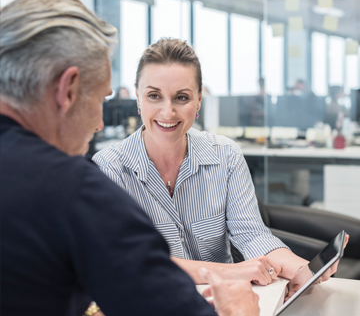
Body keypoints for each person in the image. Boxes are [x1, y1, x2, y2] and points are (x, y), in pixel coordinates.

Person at [0, 0, 260, 316]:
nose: (98, 122)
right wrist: (240, 313)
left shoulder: (224, 154)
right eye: (100, 99)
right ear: (68, 90)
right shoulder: (75, 189)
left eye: (181, 97)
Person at [93, 38, 347, 287]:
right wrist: (229, 272)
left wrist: (299, 268)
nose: (168, 112)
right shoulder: (110, 168)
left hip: (229, 303)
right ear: (138, 98)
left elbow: (252, 234)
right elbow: (129, 261)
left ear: (199, 99)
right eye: (154, 96)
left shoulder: (225, 155)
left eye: (181, 97)